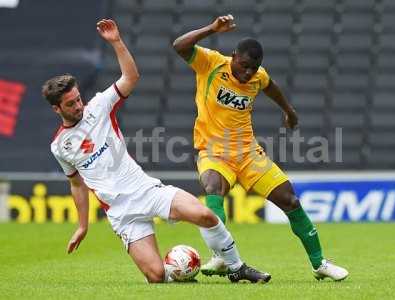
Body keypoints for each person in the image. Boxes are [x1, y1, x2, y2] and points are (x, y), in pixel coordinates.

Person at [43, 19, 270, 284]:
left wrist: (116, 42)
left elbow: (130, 77)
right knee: (156, 276)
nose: (79, 106)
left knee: (204, 215)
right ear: (57, 109)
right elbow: (77, 185)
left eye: (78, 99)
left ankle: (236, 267)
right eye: (71, 104)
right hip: (121, 213)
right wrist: (82, 225)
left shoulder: (99, 106)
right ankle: (179, 272)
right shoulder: (59, 146)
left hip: (145, 190)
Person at [172, 14, 349, 281]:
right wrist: (211, 28)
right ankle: (221, 255)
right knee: (212, 187)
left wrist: (289, 111)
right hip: (214, 151)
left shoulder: (257, 77)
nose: (246, 74)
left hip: (248, 154)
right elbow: (179, 46)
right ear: (233, 56)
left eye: (252, 69)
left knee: (291, 201)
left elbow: (271, 86)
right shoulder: (211, 63)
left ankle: (319, 263)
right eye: (243, 66)